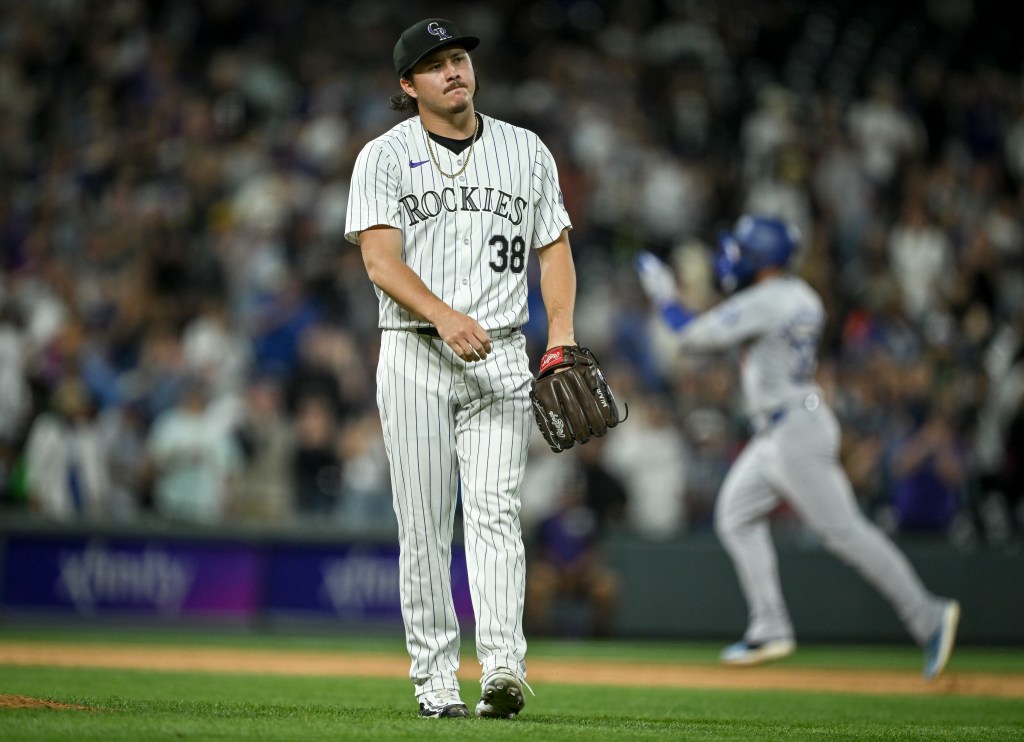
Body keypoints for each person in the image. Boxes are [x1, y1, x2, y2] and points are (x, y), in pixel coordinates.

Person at [344, 18, 578, 719]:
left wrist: (560, 333)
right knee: (422, 523)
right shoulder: (383, 157)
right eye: (436, 63)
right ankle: (435, 678)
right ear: (407, 85)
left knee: (496, 515)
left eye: (459, 58)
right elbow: (380, 261)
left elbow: (555, 250)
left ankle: (504, 667)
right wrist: (444, 315)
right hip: (415, 349)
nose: (454, 71)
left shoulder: (525, 150)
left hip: (504, 353)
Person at [636, 215, 960, 680]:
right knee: (736, 515)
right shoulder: (801, 296)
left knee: (846, 533)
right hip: (784, 426)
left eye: (745, 251)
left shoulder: (769, 300)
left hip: (793, 431)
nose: (735, 258)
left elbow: (690, 338)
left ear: (763, 258)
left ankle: (928, 615)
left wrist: (665, 296)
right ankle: (770, 625)